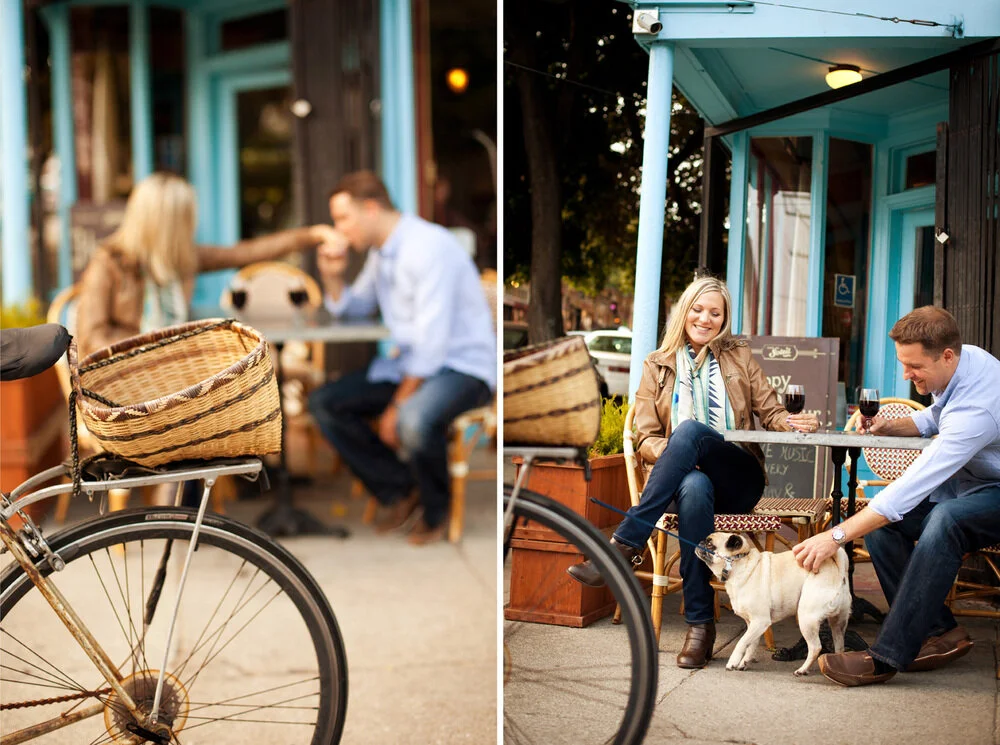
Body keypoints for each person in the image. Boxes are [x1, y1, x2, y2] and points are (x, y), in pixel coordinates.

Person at [566, 276, 819, 668]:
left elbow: (771, 412)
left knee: (691, 434)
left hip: (737, 475)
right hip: (682, 480)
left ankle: (622, 546)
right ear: (685, 312)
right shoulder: (657, 365)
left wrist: (793, 422)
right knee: (694, 484)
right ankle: (701, 627)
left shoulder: (739, 357)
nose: (705, 319)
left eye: (715, 313)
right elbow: (645, 435)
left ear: (724, 319)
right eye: (698, 310)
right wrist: (676, 453)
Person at [794, 306, 1000, 686]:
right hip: (973, 486)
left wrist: (835, 534)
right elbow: (933, 418)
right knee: (884, 528)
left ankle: (888, 655)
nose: (906, 375)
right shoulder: (965, 361)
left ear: (947, 356)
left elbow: (910, 487)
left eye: (914, 366)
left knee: (945, 520)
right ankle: (941, 631)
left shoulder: (979, 408)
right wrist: (891, 427)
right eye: (902, 364)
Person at [308, 170, 495, 546]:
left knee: (411, 419)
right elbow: (356, 307)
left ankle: (435, 510)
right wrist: (332, 278)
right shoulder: (383, 253)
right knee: (324, 403)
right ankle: (400, 489)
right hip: (414, 363)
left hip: (463, 366)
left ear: (372, 209)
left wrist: (396, 404)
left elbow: (433, 343)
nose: (339, 229)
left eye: (343, 218)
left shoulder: (428, 247)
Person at [76, 171, 331, 358]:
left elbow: (245, 253)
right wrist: (149, 351)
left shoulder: (180, 257)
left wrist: (311, 235)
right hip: (126, 376)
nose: (193, 225)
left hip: (173, 367)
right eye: (187, 219)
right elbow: (91, 337)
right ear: (165, 225)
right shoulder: (109, 262)